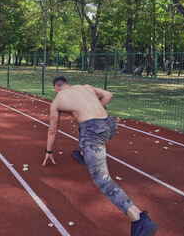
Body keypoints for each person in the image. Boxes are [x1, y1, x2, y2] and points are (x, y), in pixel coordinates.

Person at [42, 76, 158, 236]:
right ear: (68, 83)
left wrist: (49, 152)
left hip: (94, 133)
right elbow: (108, 95)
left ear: (56, 87)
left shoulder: (58, 100)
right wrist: (96, 114)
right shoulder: (86, 86)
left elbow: (52, 130)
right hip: (109, 125)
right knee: (82, 125)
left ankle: (138, 218)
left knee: (102, 180)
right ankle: (84, 153)